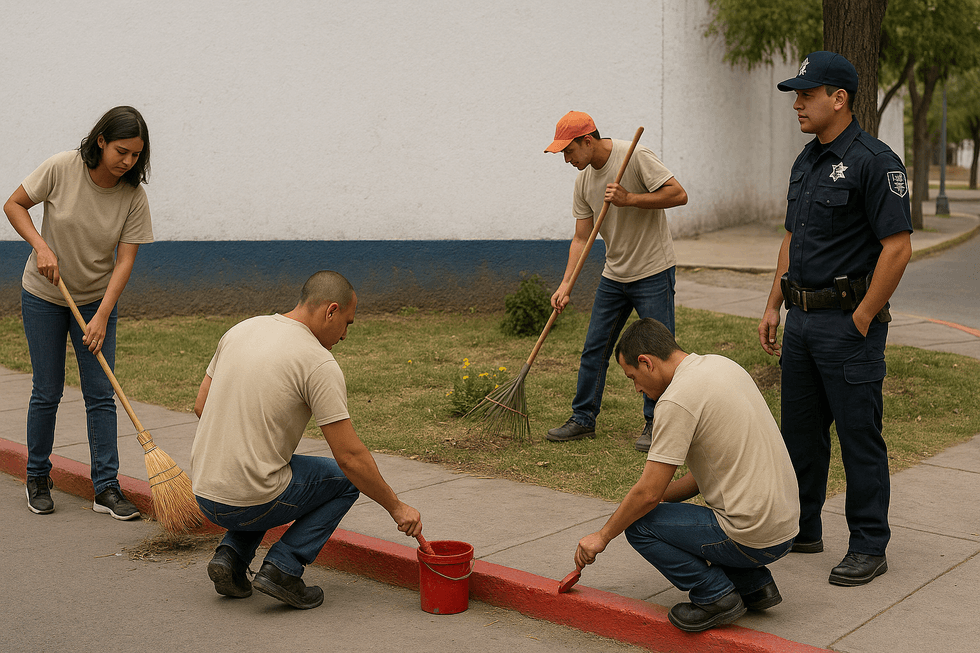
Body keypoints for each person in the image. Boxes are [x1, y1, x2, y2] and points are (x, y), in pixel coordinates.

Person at [759, 52, 913, 587]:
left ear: (839, 98)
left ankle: (870, 544)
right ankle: (802, 528)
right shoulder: (806, 160)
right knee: (800, 434)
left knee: (858, 436)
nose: (797, 104)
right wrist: (774, 302)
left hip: (848, 324)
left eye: (806, 94)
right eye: (796, 95)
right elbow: (792, 237)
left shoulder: (876, 161)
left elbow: (897, 247)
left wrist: (864, 317)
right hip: (801, 320)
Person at [191, 270, 423, 610]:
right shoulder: (317, 362)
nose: (345, 335)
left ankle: (231, 557)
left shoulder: (242, 330)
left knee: (270, 472)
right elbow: (351, 458)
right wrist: (397, 507)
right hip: (250, 499)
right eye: (347, 323)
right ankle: (284, 569)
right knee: (344, 481)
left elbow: (201, 407)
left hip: (204, 491)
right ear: (330, 311)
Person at [573, 318, 799, 632]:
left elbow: (648, 494)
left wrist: (602, 536)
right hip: (785, 527)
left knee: (638, 526)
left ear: (646, 363)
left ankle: (716, 596)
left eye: (632, 378)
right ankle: (756, 586)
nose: (637, 388)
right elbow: (699, 478)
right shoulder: (721, 366)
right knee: (657, 514)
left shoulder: (676, 399)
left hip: (754, 537)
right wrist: (652, 500)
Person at [4, 106, 153, 520]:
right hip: (44, 293)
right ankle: (37, 477)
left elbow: (124, 261)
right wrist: (41, 246)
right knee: (47, 390)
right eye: (121, 151)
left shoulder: (133, 197)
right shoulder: (61, 168)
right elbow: (14, 204)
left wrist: (103, 314)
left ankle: (106, 487)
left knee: (101, 395)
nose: (127, 161)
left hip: (95, 300)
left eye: (136, 155)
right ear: (101, 141)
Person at [543, 111, 688, 451]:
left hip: (653, 269)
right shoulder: (583, 181)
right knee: (595, 347)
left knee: (657, 352)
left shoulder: (635, 156)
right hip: (615, 273)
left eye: (569, 151)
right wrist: (565, 285)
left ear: (588, 140)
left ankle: (657, 422)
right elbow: (581, 238)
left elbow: (678, 195)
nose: (566, 159)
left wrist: (630, 199)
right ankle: (583, 418)